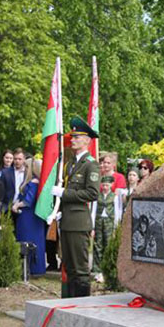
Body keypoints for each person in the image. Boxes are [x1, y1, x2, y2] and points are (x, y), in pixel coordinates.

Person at [51, 117, 101, 298]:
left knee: (80, 269)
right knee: (69, 266)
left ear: (87, 140)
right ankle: (69, 303)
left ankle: (82, 306)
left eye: (77, 137)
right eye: (72, 137)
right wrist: (59, 210)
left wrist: (64, 193)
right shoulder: (71, 163)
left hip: (79, 223)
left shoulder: (91, 164)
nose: (72, 140)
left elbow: (92, 193)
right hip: (67, 220)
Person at [12, 158, 47, 276]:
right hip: (31, 217)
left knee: (29, 241)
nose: (24, 168)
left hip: (29, 217)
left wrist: (16, 205)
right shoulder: (34, 181)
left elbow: (28, 201)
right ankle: (32, 267)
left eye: (26, 167)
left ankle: (33, 268)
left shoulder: (33, 182)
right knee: (31, 240)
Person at [91, 175, 122, 277]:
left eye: (107, 185)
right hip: (99, 221)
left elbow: (117, 212)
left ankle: (107, 268)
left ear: (111, 185)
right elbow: (93, 211)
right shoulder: (97, 196)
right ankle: (97, 269)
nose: (105, 187)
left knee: (108, 244)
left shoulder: (114, 197)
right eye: (103, 185)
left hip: (109, 221)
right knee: (97, 244)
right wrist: (92, 227)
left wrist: (116, 227)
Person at [0, 148, 27, 215]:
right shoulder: (5, 173)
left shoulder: (27, 173)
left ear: (24, 160)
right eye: (15, 159)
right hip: (7, 209)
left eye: (19, 159)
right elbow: (1, 192)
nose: (17, 161)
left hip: (23, 208)